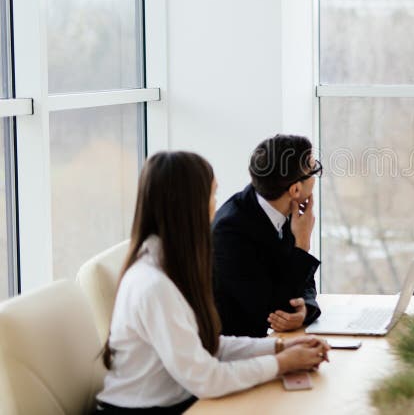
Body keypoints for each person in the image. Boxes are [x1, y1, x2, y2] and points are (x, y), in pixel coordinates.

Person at [96, 151, 329, 413]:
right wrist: (282, 363)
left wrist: (279, 346)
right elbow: (206, 378)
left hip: (179, 402)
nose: (216, 205)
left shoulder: (170, 265)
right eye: (212, 194)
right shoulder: (153, 284)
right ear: (190, 206)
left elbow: (206, 345)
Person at [212, 134, 322, 337]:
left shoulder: (286, 209)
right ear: (295, 189)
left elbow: (305, 284)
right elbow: (275, 309)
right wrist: (302, 244)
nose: (316, 178)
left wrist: (305, 309)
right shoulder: (229, 232)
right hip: (235, 351)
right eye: (314, 170)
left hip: (267, 341)